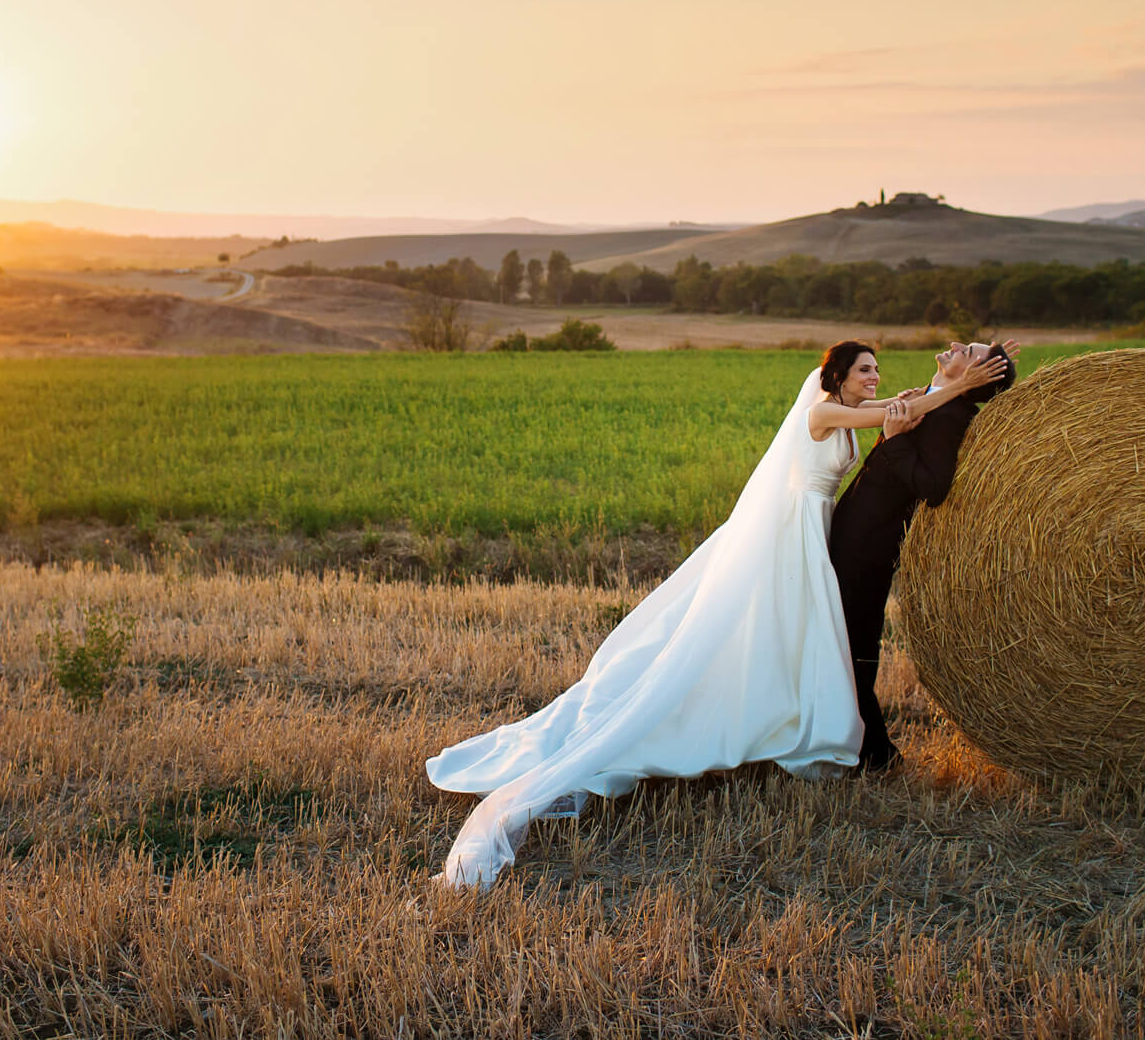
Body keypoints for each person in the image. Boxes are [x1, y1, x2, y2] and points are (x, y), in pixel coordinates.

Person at [427, 339, 1010, 889]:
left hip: (816, 532)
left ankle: (797, 723)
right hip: (793, 534)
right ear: (835, 377)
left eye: (877, 370)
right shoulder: (823, 413)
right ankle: (782, 727)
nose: (875, 378)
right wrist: (961, 387)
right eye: (864, 369)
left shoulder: (856, 408)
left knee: (797, 638)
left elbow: (900, 409)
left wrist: (939, 395)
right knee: (766, 632)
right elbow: (898, 415)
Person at [827, 340, 1018, 774]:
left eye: (966, 350)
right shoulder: (932, 403)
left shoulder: (952, 417)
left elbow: (933, 488)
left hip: (871, 542)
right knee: (837, 637)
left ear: (972, 377)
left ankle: (874, 753)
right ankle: (857, 742)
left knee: (854, 642)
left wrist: (893, 443)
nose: (953, 345)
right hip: (854, 531)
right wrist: (987, 360)